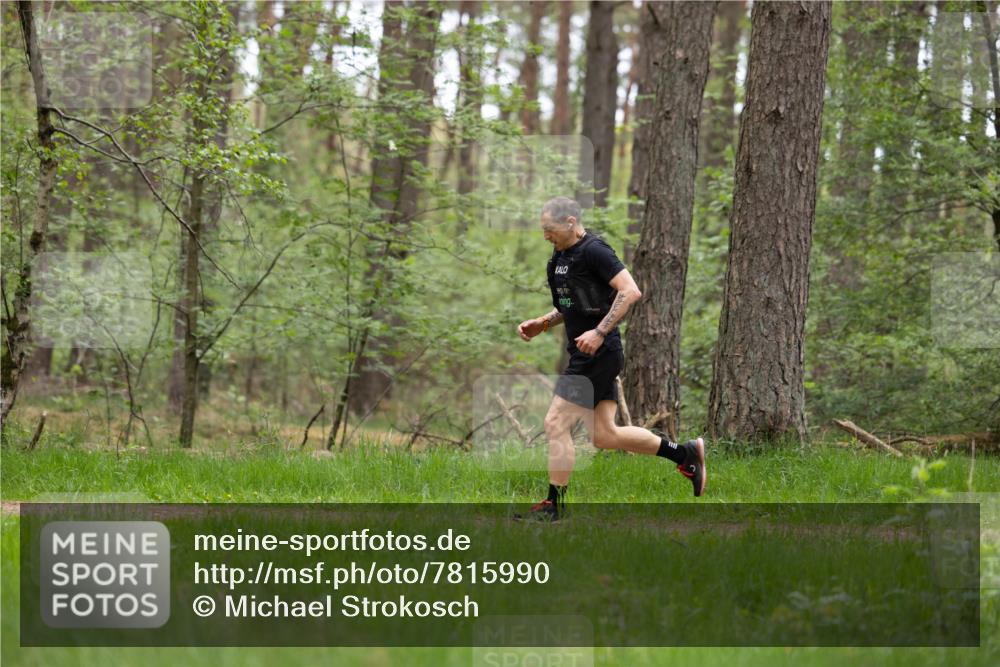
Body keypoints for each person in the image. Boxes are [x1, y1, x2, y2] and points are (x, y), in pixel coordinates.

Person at [515, 196, 706, 521]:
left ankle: (553, 507)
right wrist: (542, 324)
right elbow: (570, 307)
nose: (545, 235)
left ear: (571, 222)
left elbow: (630, 290)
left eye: (549, 229)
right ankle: (684, 454)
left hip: (597, 353)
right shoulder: (559, 259)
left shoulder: (595, 250)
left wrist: (600, 332)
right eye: (543, 230)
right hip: (588, 353)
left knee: (555, 422)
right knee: (605, 436)